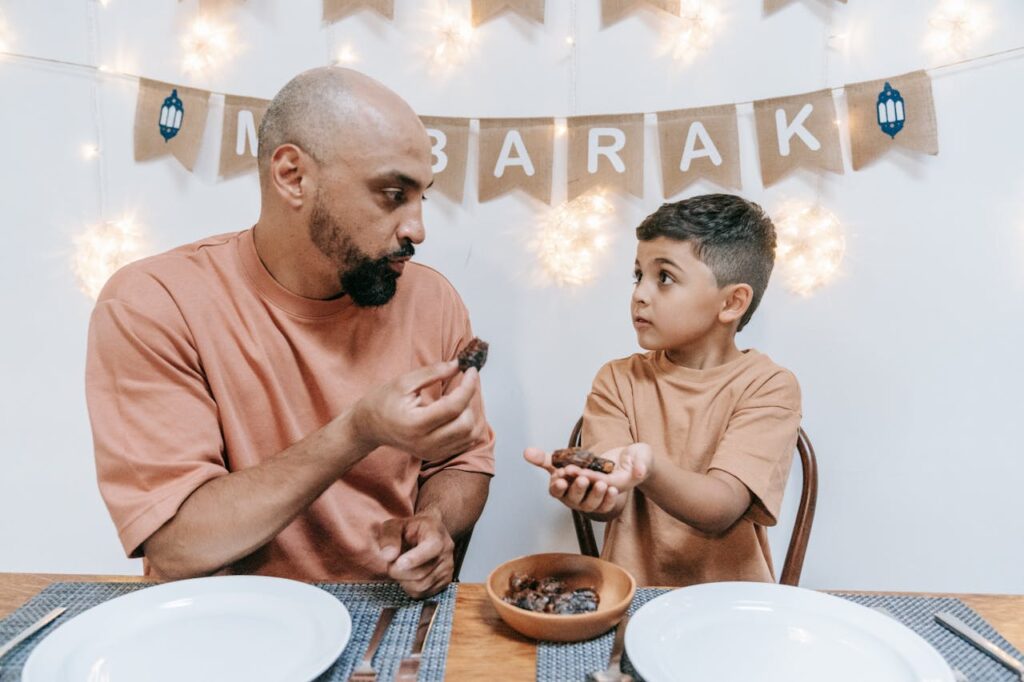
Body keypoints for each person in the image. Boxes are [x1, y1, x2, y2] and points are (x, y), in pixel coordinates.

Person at [85, 67, 494, 599]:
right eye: (393, 194)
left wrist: (434, 521)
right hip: (220, 621)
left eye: (423, 198)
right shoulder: (154, 303)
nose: (417, 228)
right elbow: (177, 544)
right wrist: (358, 430)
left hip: (383, 608)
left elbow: (463, 462)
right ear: (293, 176)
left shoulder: (432, 300)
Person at [525, 194, 801, 587]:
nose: (640, 293)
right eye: (638, 275)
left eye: (664, 277)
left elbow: (721, 506)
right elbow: (611, 495)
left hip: (734, 608)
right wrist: (592, 488)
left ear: (732, 302)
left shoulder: (769, 386)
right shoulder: (617, 381)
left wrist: (647, 467)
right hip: (631, 600)